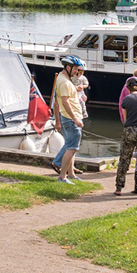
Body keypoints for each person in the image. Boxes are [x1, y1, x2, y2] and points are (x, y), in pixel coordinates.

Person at [50, 55, 86, 183]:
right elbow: (64, 102)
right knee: (72, 148)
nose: (77, 72)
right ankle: (62, 177)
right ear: (68, 67)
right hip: (70, 119)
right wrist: (75, 118)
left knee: (71, 147)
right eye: (76, 69)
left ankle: (71, 174)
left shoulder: (64, 79)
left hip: (68, 118)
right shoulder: (65, 82)